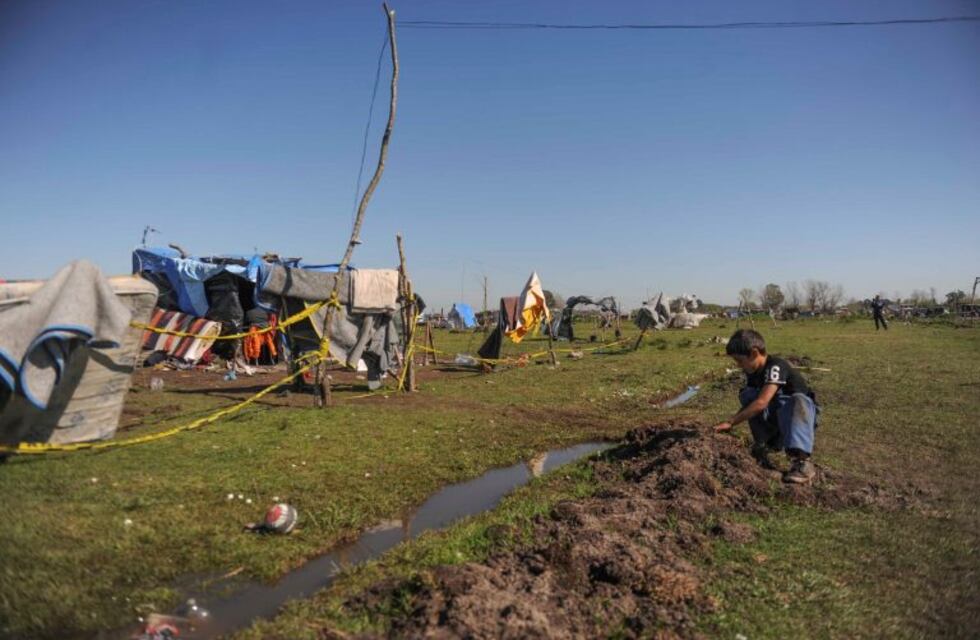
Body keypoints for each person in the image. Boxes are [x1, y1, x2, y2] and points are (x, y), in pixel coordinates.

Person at [714, 329, 818, 484]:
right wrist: (731, 421)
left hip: (799, 417)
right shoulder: (753, 373)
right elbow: (754, 404)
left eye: (739, 361)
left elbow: (762, 402)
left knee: (796, 400)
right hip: (777, 416)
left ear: (754, 354)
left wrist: (731, 422)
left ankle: (802, 462)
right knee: (748, 395)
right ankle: (767, 443)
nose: (739, 365)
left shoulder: (776, 366)